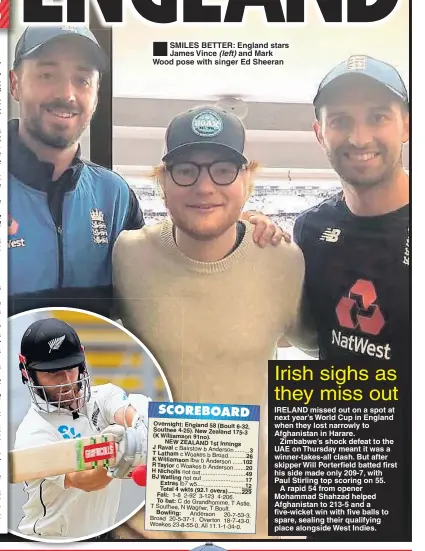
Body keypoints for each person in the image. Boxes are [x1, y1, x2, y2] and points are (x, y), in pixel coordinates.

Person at [112, 105, 317, 539]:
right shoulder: (125, 256)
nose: (205, 186)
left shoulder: (285, 262)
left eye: (224, 170)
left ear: (248, 182)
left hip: (251, 525)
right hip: (141, 528)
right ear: (162, 183)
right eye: (186, 170)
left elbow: (322, 345)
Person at [8, 25, 284, 319]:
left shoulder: (113, 194)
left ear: (97, 94)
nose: (67, 94)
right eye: (47, 75)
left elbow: (162, 264)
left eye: (83, 80)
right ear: (14, 84)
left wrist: (233, 226)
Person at [293, 55, 409, 364]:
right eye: (340, 120)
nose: (359, 138)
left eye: (378, 117)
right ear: (320, 134)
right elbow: (300, 332)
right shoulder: (309, 230)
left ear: (407, 127)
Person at [14, 317, 150, 540]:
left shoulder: (104, 395)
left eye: (70, 369)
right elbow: (84, 481)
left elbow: (125, 411)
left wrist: (140, 424)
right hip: (51, 539)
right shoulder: (35, 432)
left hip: (102, 535)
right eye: (53, 373)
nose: (66, 381)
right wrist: (115, 460)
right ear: (29, 373)